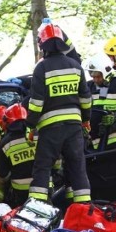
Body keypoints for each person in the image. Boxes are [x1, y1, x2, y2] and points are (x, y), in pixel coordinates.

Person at [26, 19, 92, 204]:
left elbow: (36, 103)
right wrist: (86, 120)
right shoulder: (75, 66)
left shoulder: (41, 68)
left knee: (42, 168)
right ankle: (83, 209)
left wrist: (30, 126)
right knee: (77, 168)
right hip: (74, 127)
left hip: (50, 129)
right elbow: (86, 99)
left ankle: (37, 208)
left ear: (42, 44)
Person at [85, 52, 116, 150]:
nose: (95, 79)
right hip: (94, 138)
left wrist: (115, 116)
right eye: (93, 76)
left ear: (106, 72)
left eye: (98, 76)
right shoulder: (89, 86)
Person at [0, 103, 36, 207]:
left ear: (7, 121)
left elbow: (2, 172)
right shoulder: (38, 135)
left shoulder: (5, 143)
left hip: (20, 192)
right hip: (43, 187)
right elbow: (55, 161)